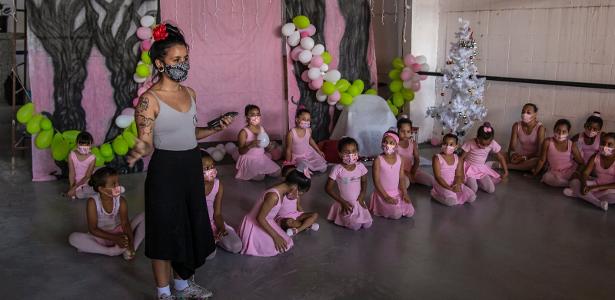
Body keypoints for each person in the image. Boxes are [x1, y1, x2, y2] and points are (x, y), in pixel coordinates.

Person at [126, 23, 235, 300]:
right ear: (160, 64)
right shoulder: (149, 100)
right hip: (165, 170)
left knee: (189, 226)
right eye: (176, 60)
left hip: (190, 166)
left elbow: (189, 133)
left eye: (185, 59)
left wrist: (215, 128)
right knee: (164, 229)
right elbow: (147, 139)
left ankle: (183, 286)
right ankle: (164, 293)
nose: (183, 65)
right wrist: (140, 147)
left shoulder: (191, 94)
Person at [68, 167, 144, 260]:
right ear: (101, 189)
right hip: (102, 236)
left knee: (146, 216)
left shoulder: (121, 200)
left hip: (120, 233)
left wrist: (130, 243)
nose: (118, 186)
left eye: (117, 182)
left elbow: (125, 223)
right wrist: (115, 238)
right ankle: (110, 251)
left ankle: (131, 250)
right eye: (113, 184)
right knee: (73, 238)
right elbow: (93, 229)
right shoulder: (92, 202)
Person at [238, 169, 311, 257]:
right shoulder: (273, 196)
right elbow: (260, 218)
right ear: (295, 187)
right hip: (255, 223)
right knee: (275, 247)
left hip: (267, 221)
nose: (298, 196)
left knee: (286, 242)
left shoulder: (282, 190)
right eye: (300, 193)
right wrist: (276, 237)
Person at [325, 137, 373, 230]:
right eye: (346, 152)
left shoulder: (361, 167)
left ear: (357, 152)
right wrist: (342, 202)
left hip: (358, 202)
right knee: (355, 226)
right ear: (340, 154)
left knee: (368, 224)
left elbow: (364, 181)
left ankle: (357, 215)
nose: (351, 154)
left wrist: (362, 194)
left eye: (353, 151)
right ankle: (341, 215)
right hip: (346, 204)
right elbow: (328, 188)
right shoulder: (337, 169)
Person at [201, 151, 242, 257]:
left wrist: (221, 228)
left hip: (213, 223)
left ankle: (216, 239)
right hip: (198, 227)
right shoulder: (191, 188)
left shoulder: (218, 185)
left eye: (212, 166)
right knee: (210, 255)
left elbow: (217, 214)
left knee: (236, 246)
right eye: (206, 168)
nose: (211, 170)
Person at [369, 131, 414, 219]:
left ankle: (398, 204)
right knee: (396, 214)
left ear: (396, 145)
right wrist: (386, 197)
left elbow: (401, 178)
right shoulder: (378, 160)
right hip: (382, 194)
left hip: (397, 192)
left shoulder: (400, 159)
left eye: (391, 143)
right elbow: (376, 181)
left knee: (410, 212)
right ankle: (380, 205)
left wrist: (405, 193)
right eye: (385, 142)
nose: (387, 145)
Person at [565, 133, 615, 211]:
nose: (605, 146)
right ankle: (598, 203)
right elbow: (585, 173)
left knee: (613, 197)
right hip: (596, 184)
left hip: (609, 189)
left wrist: (595, 188)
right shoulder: (595, 157)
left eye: (610, 144)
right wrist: (584, 184)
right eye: (603, 143)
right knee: (574, 182)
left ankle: (577, 194)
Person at [235, 104, 281, 181]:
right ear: (247, 117)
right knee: (260, 177)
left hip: (261, 158)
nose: (256, 117)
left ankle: (262, 170)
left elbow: (264, 144)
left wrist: (269, 146)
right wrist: (250, 145)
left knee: (277, 172)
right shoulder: (243, 132)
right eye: (252, 114)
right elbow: (241, 151)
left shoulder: (261, 128)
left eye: (258, 114)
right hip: (249, 159)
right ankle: (250, 171)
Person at [532, 119, 584, 187]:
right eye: (558, 130)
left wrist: (576, 173)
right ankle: (569, 184)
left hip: (569, 171)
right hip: (554, 172)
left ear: (568, 133)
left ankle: (569, 183)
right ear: (554, 130)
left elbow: (581, 163)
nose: (560, 134)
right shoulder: (547, 142)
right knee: (546, 177)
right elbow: (542, 160)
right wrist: (534, 174)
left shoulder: (571, 145)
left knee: (576, 179)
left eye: (564, 132)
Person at [460, 122, 508, 194]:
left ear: (491, 141)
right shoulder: (470, 143)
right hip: (469, 169)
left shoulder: (492, 143)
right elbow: (461, 158)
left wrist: (506, 171)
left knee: (491, 189)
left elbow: (500, 157)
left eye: (487, 144)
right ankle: (469, 182)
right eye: (482, 144)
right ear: (477, 137)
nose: (484, 147)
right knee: (473, 189)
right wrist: (460, 172)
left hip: (481, 169)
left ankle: (477, 181)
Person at [431, 134, 476, 206]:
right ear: (442, 144)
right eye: (445, 143)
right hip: (441, 184)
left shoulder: (457, 158)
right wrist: (449, 188)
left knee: (472, 197)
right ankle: (434, 194)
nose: (447, 146)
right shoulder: (437, 158)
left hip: (454, 183)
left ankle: (452, 194)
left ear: (456, 146)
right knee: (451, 202)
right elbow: (438, 177)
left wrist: (457, 184)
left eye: (451, 144)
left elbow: (458, 175)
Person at [284, 108, 328, 172]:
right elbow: (288, 149)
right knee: (302, 166)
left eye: (308, 120)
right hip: (298, 157)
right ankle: (306, 167)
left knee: (323, 168)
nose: (306, 121)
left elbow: (310, 140)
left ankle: (310, 167)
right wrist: (287, 163)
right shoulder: (291, 133)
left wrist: (318, 151)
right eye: (304, 119)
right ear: (297, 119)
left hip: (309, 153)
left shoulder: (309, 130)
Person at [505, 103, 545, 171]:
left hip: (532, 158)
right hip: (519, 155)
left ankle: (507, 166)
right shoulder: (516, 125)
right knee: (501, 154)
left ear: (535, 114)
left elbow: (540, 152)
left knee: (536, 162)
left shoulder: (540, 128)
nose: (524, 114)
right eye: (523, 112)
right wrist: (513, 155)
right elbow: (512, 147)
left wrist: (524, 158)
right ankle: (519, 167)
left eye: (528, 112)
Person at [396, 117, 434, 187]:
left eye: (408, 132)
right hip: (398, 172)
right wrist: (407, 174)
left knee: (431, 180)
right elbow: (394, 165)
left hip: (411, 170)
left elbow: (417, 159)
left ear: (411, 132)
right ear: (397, 130)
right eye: (402, 131)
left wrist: (413, 172)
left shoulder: (412, 143)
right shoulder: (395, 144)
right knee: (406, 183)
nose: (405, 134)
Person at [66, 132, 96, 199]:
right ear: (77, 144)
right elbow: (71, 173)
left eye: (87, 144)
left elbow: (87, 176)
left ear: (91, 145)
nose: (84, 146)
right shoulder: (71, 155)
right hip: (76, 181)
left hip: (87, 181)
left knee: (81, 194)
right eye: (82, 144)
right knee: (75, 194)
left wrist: (75, 188)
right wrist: (72, 187)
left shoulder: (92, 158)